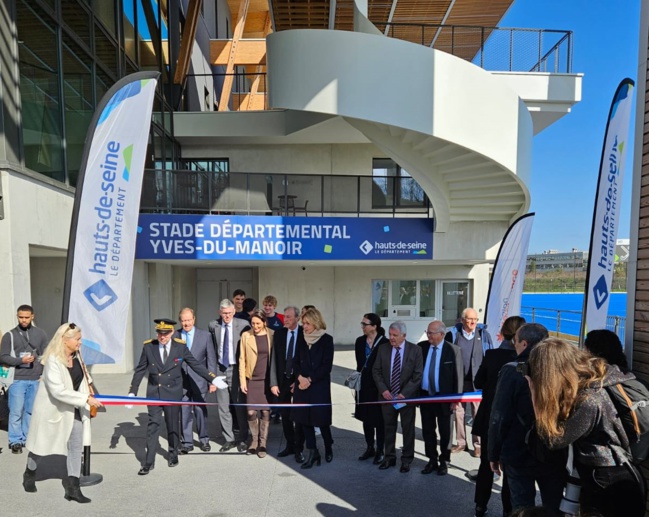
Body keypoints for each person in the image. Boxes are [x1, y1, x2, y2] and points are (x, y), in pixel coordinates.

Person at [528, 338, 646, 517]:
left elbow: (553, 440)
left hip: (606, 482)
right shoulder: (598, 381)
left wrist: (535, 396)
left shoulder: (589, 399)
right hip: (615, 476)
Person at [488, 323, 566, 515]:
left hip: (518, 452)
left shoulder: (513, 370)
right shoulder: (561, 369)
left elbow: (500, 415)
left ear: (524, 343)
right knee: (554, 507)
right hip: (552, 449)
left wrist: (493, 453)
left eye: (515, 342)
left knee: (522, 507)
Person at [23, 323, 103, 503]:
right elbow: (57, 391)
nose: (80, 343)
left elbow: (84, 377)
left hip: (73, 408)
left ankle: (73, 489)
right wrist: (85, 399)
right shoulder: (53, 360)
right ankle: (29, 473)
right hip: (53, 409)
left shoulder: (76, 355)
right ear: (65, 340)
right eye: (77, 339)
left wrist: (92, 395)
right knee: (40, 447)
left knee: (75, 447)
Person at [128, 318, 218, 475]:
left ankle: (173, 454)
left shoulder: (180, 347)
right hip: (155, 393)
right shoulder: (149, 346)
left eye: (165, 333)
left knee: (172, 425)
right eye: (159, 333)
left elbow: (195, 364)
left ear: (172, 332)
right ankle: (148, 462)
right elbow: (140, 369)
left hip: (172, 393)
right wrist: (132, 391)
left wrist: (212, 378)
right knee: (153, 426)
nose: (162, 337)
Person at [473, 315, 525, 517]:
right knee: (511, 469)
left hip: (489, 418)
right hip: (513, 421)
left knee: (486, 464)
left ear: (502, 332)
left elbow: (478, 382)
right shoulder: (521, 361)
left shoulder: (492, 355)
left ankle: (480, 505)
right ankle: (508, 510)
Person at [372, 320, 423, 473]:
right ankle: (389, 458)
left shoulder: (415, 350)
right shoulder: (383, 349)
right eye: (390, 335)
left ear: (404, 336)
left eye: (395, 335)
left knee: (408, 429)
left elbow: (417, 376)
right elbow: (376, 371)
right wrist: (383, 390)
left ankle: (406, 460)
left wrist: (404, 394)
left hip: (406, 398)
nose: (392, 338)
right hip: (387, 397)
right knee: (388, 428)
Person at [0, 305, 48, 454]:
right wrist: (21, 361)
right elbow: (3, 357)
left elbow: (46, 355)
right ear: (17, 316)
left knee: (30, 411)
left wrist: (42, 374)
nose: (24, 320)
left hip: (35, 379)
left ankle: (27, 438)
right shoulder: (10, 335)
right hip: (17, 379)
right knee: (15, 411)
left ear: (32, 316)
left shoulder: (40, 334)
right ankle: (15, 441)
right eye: (21, 317)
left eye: (27, 317)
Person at [445, 307, 493, 457]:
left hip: (477, 382)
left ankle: (477, 444)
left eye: (475, 319)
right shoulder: (454, 334)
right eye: (470, 319)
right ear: (462, 319)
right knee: (459, 413)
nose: (473, 322)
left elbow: (489, 355)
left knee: (477, 413)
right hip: (459, 381)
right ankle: (461, 443)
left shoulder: (483, 335)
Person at [417, 320, 462, 476]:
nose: (428, 335)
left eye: (431, 333)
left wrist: (455, 399)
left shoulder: (453, 350)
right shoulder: (422, 347)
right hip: (425, 397)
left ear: (442, 334)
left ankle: (444, 460)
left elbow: (458, 377)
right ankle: (431, 459)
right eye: (427, 332)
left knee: (445, 432)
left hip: (444, 397)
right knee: (428, 430)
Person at [291, 307, 335, 468]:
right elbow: (295, 362)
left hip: (318, 386)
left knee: (321, 420)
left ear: (316, 323)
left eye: (307, 323)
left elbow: (326, 366)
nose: (305, 326)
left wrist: (309, 379)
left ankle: (328, 446)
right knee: (304, 420)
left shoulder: (326, 340)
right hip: (302, 386)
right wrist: (300, 378)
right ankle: (313, 451)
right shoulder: (301, 338)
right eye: (303, 323)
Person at [208, 299, 250, 452]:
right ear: (220, 312)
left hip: (237, 369)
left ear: (234, 312)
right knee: (223, 407)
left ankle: (243, 439)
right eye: (224, 313)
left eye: (230, 313)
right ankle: (229, 439)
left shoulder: (244, 324)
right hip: (221, 369)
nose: (227, 316)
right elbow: (212, 349)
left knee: (239, 404)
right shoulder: (214, 325)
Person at [174, 308, 217, 453]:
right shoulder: (175, 335)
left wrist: (212, 380)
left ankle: (204, 439)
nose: (186, 323)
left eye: (188, 320)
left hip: (199, 380)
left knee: (200, 410)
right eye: (183, 320)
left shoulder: (205, 336)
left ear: (194, 319)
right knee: (184, 411)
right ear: (180, 321)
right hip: (182, 381)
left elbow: (211, 359)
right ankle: (187, 442)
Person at [270, 306, 305, 463]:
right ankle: (290, 444)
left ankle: (300, 447)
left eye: (289, 317)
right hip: (283, 379)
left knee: (299, 415)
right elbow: (274, 360)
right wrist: (274, 382)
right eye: (285, 316)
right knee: (285, 415)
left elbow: (307, 360)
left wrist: (299, 381)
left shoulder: (305, 333)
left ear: (297, 318)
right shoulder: (279, 334)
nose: (286, 319)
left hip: (299, 380)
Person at [354, 313, 389, 465]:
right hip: (363, 386)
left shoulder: (385, 343)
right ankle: (370, 447)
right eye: (362, 324)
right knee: (366, 418)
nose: (362, 327)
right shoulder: (359, 341)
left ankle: (380, 449)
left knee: (379, 420)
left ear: (374, 326)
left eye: (365, 324)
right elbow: (359, 363)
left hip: (378, 386)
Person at [239, 310, 274, 458]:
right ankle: (254, 441)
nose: (255, 326)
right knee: (251, 411)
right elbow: (242, 359)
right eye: (253, 323)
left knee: (265, 411)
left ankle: (263, 443)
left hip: (267, 380)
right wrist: (242, 381)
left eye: (258, 323)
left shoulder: (272, 335)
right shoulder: (246, 336)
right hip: (252, 379)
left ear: (264, 322)